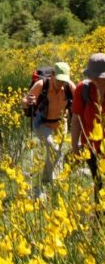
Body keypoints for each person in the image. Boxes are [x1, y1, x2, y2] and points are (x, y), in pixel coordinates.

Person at [21, 62, 75, 188]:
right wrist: (27, 102)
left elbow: (79, 99)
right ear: (52, 75)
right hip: (42, 123)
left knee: (54, 153)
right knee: (54, 149)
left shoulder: (69, 86)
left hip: (61, 123)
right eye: (59, 80)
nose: (61, 83)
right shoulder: (41, 85)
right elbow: (23, 102)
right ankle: (55, 182)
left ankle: (45, 181)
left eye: (64, 80)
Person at [71, 53, 105, 204]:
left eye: (100, 76)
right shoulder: (83, 89)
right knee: (99, 184)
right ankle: (99, 218)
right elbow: (76, 120)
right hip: (90, 148)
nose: (97, 80)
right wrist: (74, 146)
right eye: (94, 76)